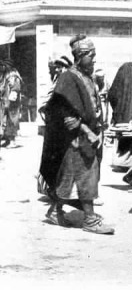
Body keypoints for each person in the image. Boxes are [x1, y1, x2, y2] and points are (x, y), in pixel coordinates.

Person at [38, 34, 114, 234]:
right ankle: (89, 219)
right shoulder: (68, 77)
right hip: (76, 137)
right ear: (80, 56)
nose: (94, 58)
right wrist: (87, 131)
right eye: (91, 55)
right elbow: (64, 112)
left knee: (71, 177)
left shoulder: (86, 76)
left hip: (88, 135)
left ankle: (55, 210)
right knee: (86, 174)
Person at [0, 59, 22, 148]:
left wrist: (10, 100)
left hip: (12, 103)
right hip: (4, 102)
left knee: (12, 121)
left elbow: (15, 89)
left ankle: (12, 141)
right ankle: (7, 140)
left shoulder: (13, 75)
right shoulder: (4, 76)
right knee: (4, 121)